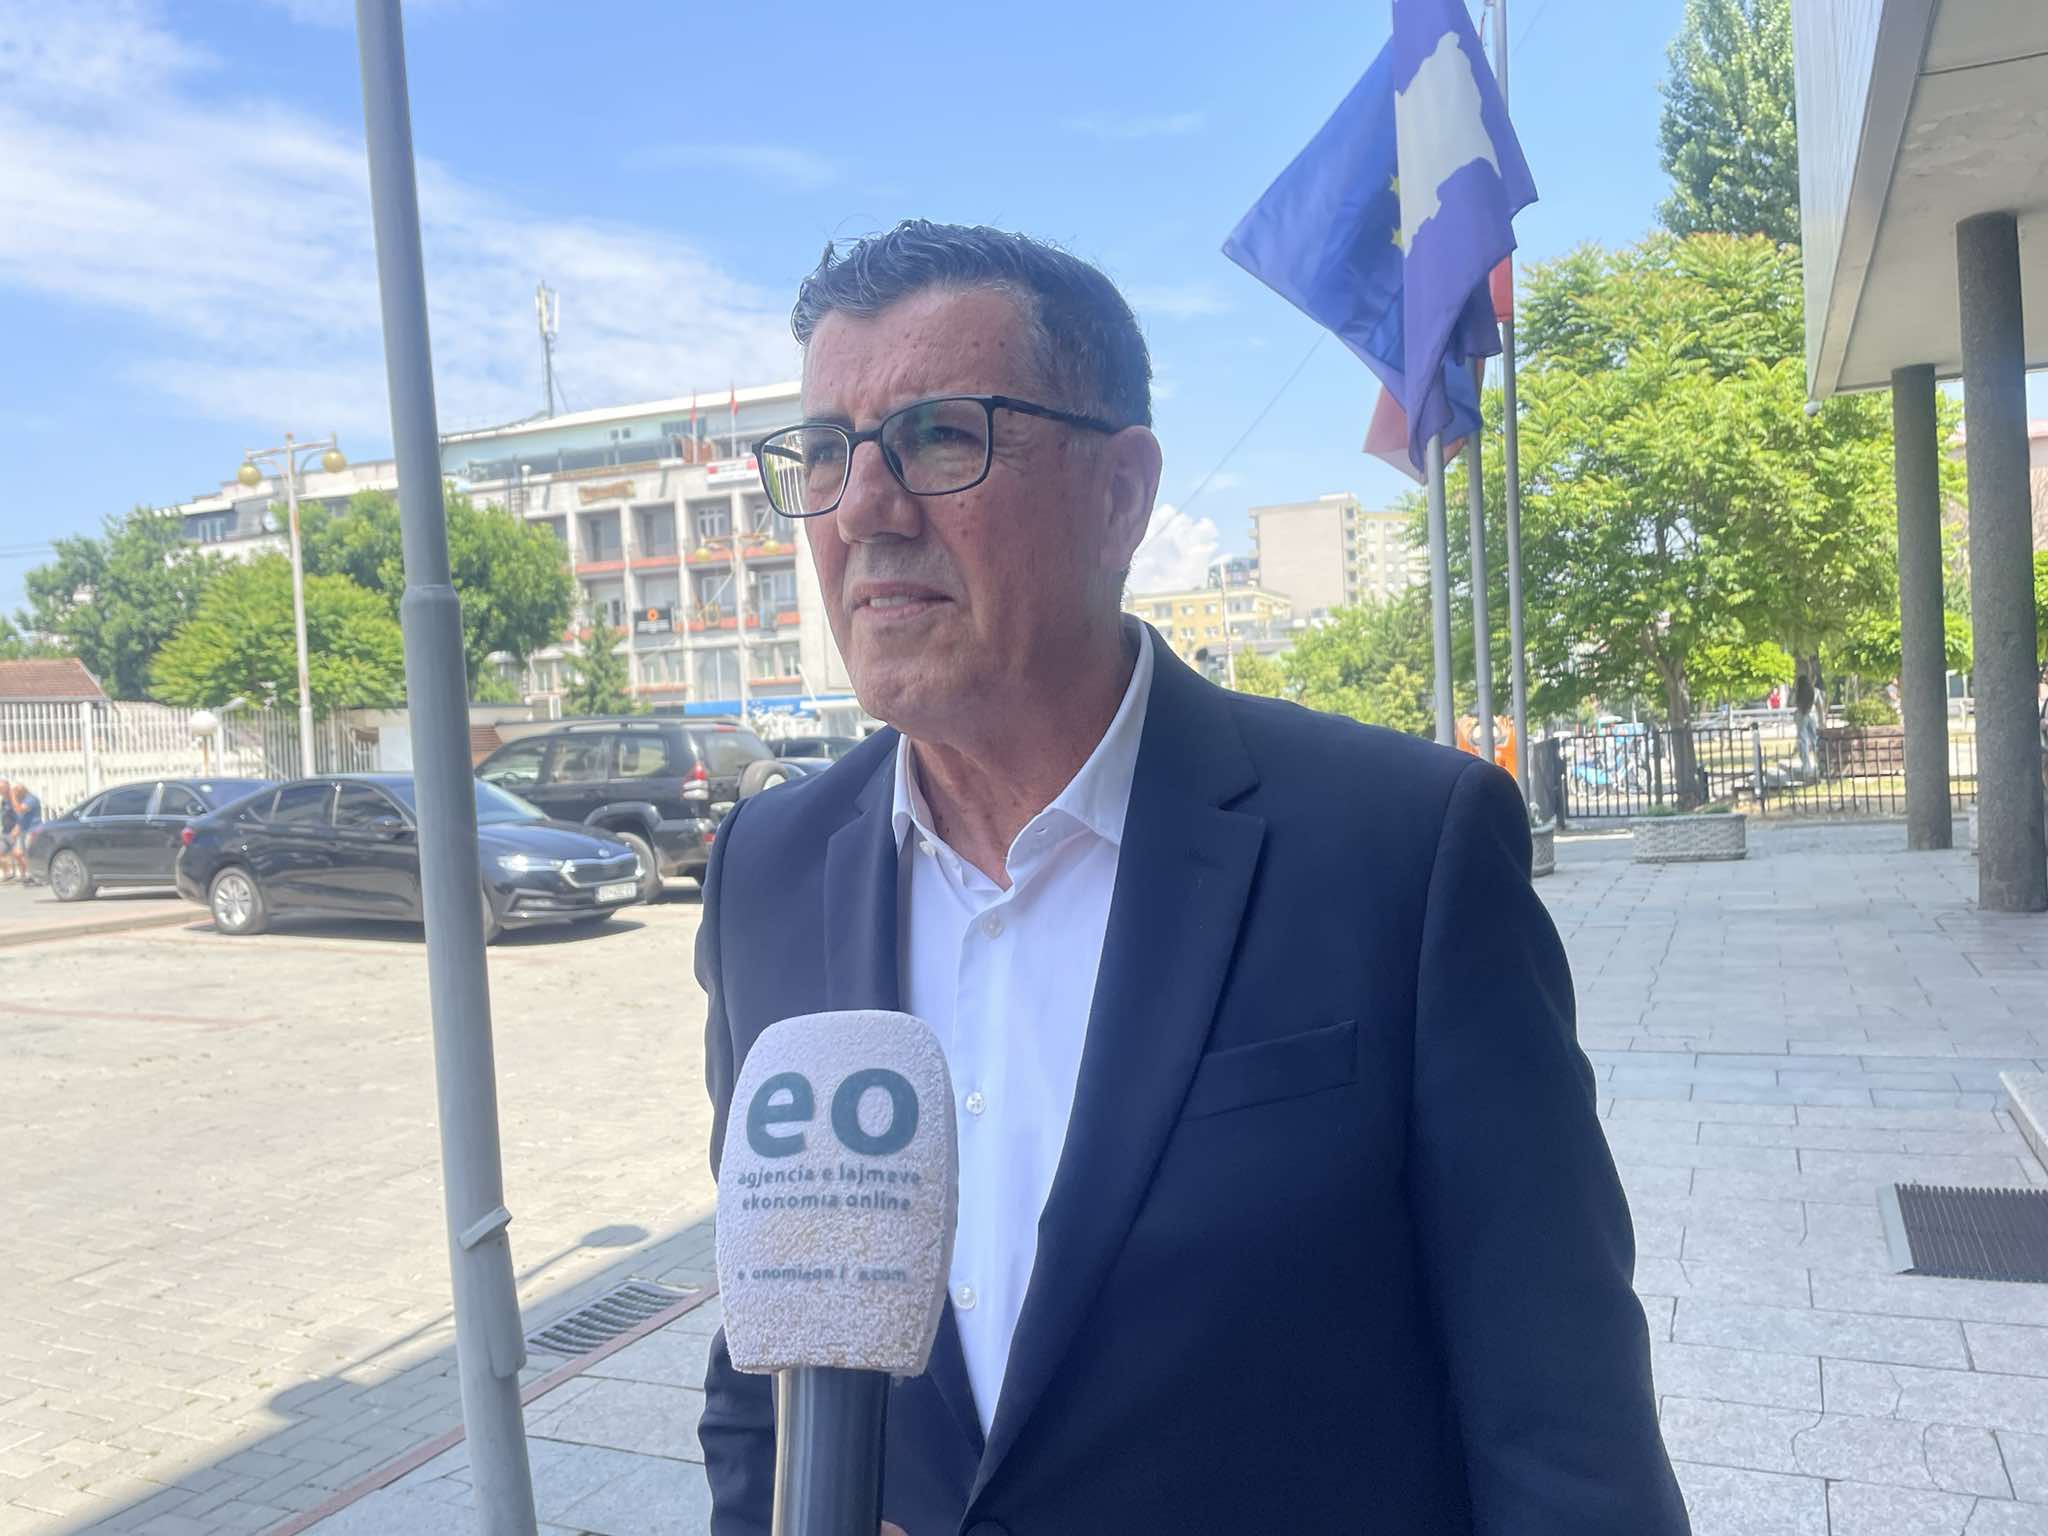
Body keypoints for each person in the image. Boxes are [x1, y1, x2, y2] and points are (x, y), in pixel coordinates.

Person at [697, 222, 1688, 1536]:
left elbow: (1564, 1434)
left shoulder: (1403, 848)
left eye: (939, 438)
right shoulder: (765, 869)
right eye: (826, 452)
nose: (864, 509)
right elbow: (761, 1358)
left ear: (1120, 494)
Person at [6, 780, 40, 884]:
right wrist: (16, 829)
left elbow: (19, 809)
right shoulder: (22, 800)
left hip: (33, 830)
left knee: (27, 853)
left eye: (16, 791)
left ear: (21, 790)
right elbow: (22, 817)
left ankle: (33, 875)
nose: (15, 793)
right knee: (18, 853)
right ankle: (25, 875)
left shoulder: (31, 799)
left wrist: (12, 796)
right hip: (24, 830)